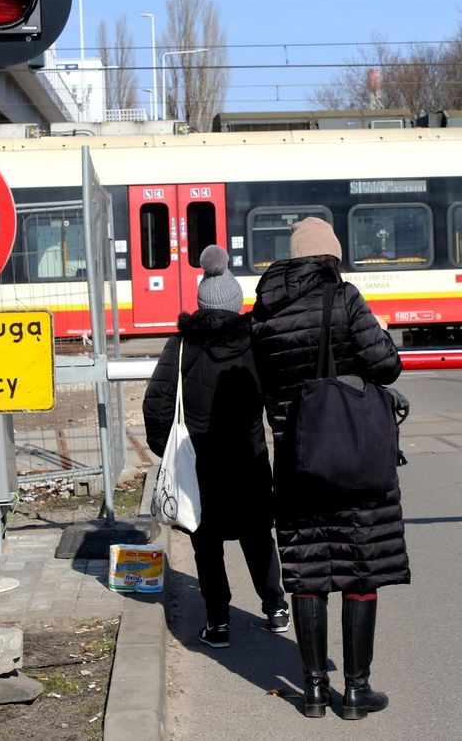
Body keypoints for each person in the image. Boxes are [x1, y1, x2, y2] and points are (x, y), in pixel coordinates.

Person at [251, 217, 409, 720]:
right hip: (355, 454)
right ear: (331, 257)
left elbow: (261, 385)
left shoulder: (264, 313)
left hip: (297, 457)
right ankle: (357, 692)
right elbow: (385, 366)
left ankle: (314, 690)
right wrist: (379, 335)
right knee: (361, 568)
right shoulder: (345, 299)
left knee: (307, 571)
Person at [143, 245, 288, 649]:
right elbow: (276, 395)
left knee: (205, 545)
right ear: (236, 303)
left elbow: (156, 403)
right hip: (249, 458)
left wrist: (166, 449)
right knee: (258, 536)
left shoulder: (183, 345)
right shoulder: (256, 342)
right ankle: (275, 607)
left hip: (199, 460)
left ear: (201, 303)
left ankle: (218, 623)